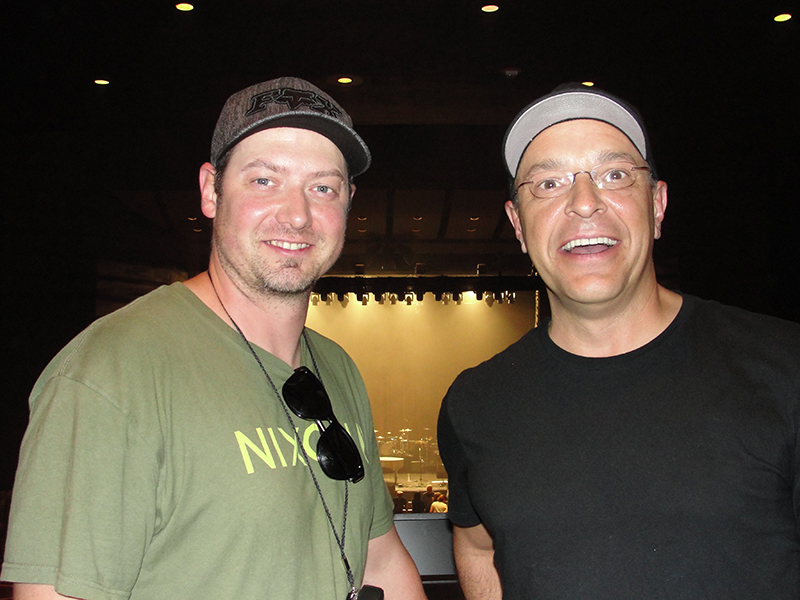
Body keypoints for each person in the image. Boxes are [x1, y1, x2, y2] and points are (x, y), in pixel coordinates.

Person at [2, 77, 425, 600]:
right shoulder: (110, 373)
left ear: (348, 203)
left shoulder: (336, 369)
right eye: (264, 180)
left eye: (323, 187)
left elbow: (380, 561)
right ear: (210, 190)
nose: (297, 214)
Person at [437, 83, 800, 599]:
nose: (584, 203)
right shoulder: (474, 402)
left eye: (614, 175)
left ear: (657, 204)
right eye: (548, 183)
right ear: (518, 225)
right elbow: (478, 548)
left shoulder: (785, 369)